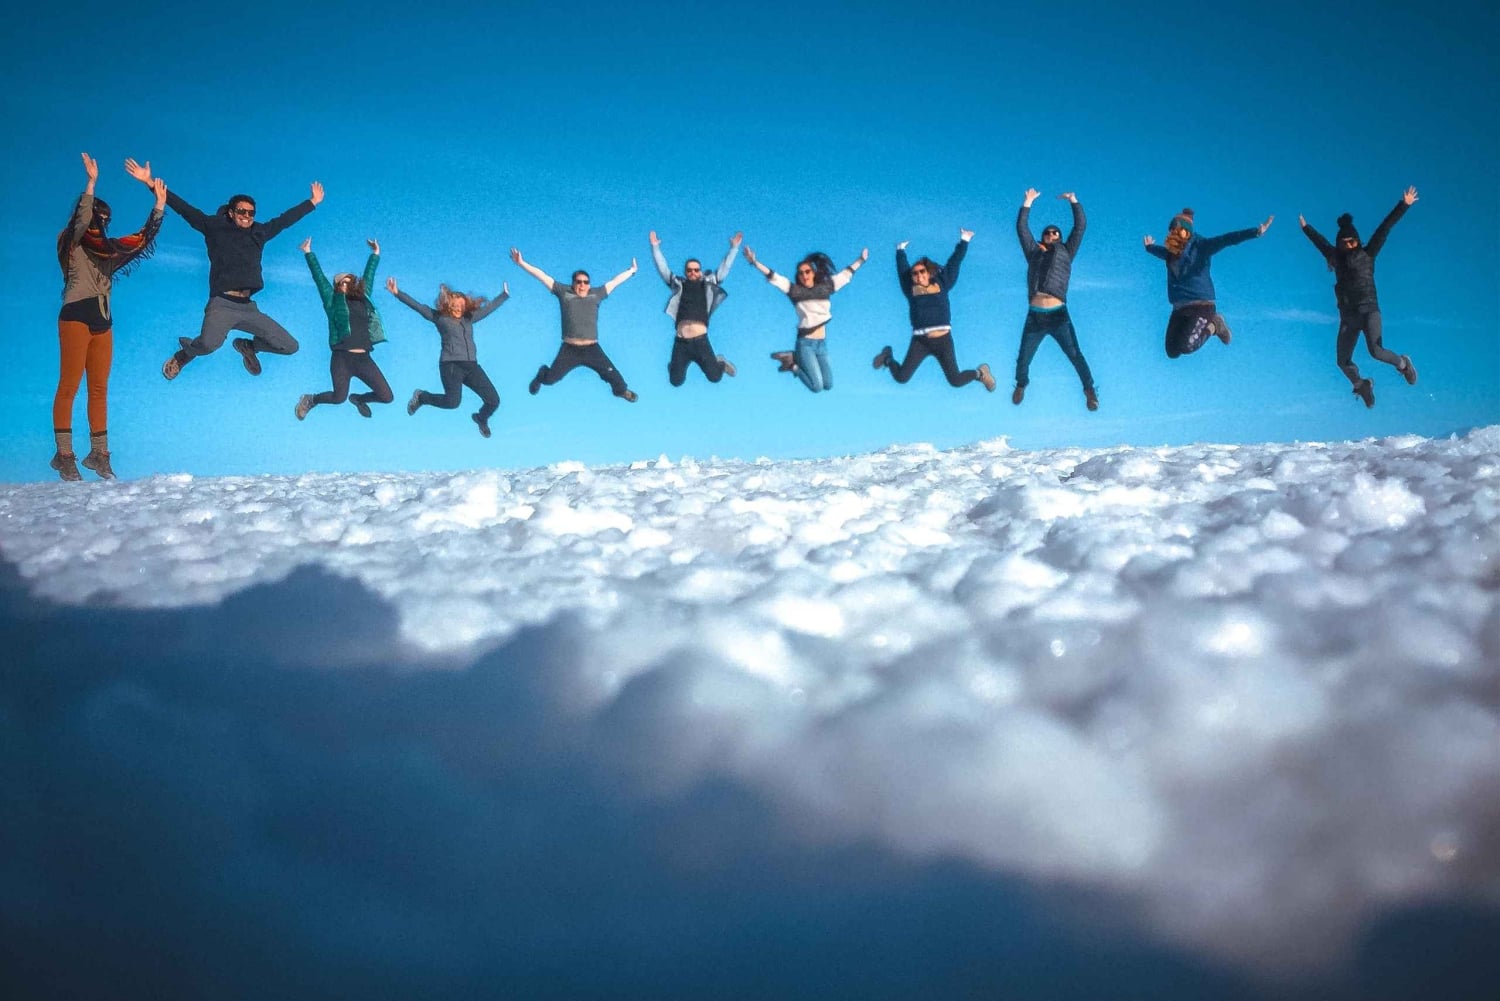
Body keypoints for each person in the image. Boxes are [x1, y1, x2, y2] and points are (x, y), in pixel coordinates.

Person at [126, 158, 322, 380]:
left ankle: (248, 346)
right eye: (241, 211)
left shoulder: (259, 232)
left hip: (249, 308)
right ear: (231, 212)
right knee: (209, 345)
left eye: (251, 213)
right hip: (222, 304)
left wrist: (312, 202)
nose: (246, 216)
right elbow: (186, 210)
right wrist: (149, 182)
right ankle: (185, 354)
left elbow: (285, 220)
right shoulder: (215, 227)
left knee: (290, 346)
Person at [50, 154, 167, 481]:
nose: (102, 223)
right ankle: (64, 455)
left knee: (99, 388)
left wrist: (158, 205)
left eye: (106, 219)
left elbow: (141, 239)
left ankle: (100, 455)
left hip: (103, 321)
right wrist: (90, 184)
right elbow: (82, 218)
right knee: (69, 385)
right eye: (99, 218)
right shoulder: (71, 241)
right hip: (75, 315)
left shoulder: (108, 251)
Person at [1299, 187, 1419, 408]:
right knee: (1342, 361)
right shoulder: (1335, 258)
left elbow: (1385, 228)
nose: (1348, 246)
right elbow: (1321, 244)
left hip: (1369, 310)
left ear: (1357, 240)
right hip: (1348, 317)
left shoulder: (1368, 253)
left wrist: (1404, 205)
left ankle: (1403, 364)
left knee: (1376, 351)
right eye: (1343, 243)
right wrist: (1306, 229)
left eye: (1351, 242)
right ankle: (1362, 384)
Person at [510, 248, 640, 401]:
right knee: (550, 379)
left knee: (615, 378)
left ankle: (622, 392)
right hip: (569, 350)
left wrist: (631, 271)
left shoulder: (596, 294)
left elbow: (615, 282)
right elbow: (542, 276)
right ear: (573, 284)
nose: (582, 285)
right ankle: (541, 375)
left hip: (592, 349)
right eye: (579, 282)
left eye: (586, 282)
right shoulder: (563, 292)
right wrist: (521, 263)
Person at [873, 229, 994, 392]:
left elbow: (954, 263)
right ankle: (888, 358)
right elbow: (902, 272)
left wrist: (964, 240)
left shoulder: (942, 283)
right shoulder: (911, 290)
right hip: (920, 341)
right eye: (915, 273)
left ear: (928, 272)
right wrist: (900, 251)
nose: (918, 275)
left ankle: (980, 373)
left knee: (956, 380)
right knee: (902, 377)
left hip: (943, 340)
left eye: (921, 271)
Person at [1144, 208, 1273, 359]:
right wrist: (1149, 248)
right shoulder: (1171, 253)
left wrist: (1255, 232)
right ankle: (1209, 325)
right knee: (1172, 351)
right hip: (1179, 308)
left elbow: (1227, 239)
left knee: (1187, 346)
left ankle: (1215, 325)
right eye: (1171, 231)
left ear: (1186, 232)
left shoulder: (1202, 246)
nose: (1172, 234)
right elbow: (1161, 252)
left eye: (1176, 230)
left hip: (1202, 306)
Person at [388, 277, 509, 437]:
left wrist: (504, 295)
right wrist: (397, 293)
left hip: (471, 366)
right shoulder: (440, 318)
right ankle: (422, 397)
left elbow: (488, 309)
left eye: (461, 305)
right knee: (452, 402)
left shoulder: (469, 319)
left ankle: (481, 418)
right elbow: (418, 306)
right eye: (455, 305)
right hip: (450, 365)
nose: (458, 308)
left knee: (494, 400)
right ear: (448, 305)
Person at [1011, 190, 1096, 409]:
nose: (1051, 234)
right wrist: (1028, 202)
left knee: (1075, 354)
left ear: (1060, 237)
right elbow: (1022, 229)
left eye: (1055, 232)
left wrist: (1074, 201)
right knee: (1023, 358)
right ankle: (1021, 384)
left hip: (1058, 315)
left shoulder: (1067, 251)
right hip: (1035, 316)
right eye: (1048, 232)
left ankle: (1089, 391)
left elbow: (1080, 227)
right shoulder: (1033, 252)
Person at [743, 245, 868, 393]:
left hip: (822, 344)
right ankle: (792, 365)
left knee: (828, 384)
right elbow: (775, 277)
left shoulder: (826, 287)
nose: (804, 276)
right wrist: (755, 262)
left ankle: (793, 357)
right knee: (817, 386)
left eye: (807, 272)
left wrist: (861, 259)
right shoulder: (796, 292)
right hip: (805, 344)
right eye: (801, 273)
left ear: (813, 273)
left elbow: (846, 274)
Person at [294, 237, 393, 421]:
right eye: (343, 282)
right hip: (342, 357)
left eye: (350, 281)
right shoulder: (332, 301)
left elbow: (369, 276)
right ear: (337, 286)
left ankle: (358, 399)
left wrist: (375, 254)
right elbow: (319, 279)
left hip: (364, 358)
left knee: (387, 396)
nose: (347, 284)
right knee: (338, 397)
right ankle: (311, 399)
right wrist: (308, 253)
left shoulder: (364, 298)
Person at [649, 230, 742, 385]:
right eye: (689, 270)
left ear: (700, 271)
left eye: (696, 270)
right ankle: (673, 367)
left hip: (700, 341)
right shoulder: (679, 284)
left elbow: (723, 270)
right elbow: (663, 269)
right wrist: (655, 248)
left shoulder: (708, 283)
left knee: (715, 377)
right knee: (675, 381)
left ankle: (720, 362)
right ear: (686, 272)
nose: (693, 272)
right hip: (681, 342)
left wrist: (733, 249)